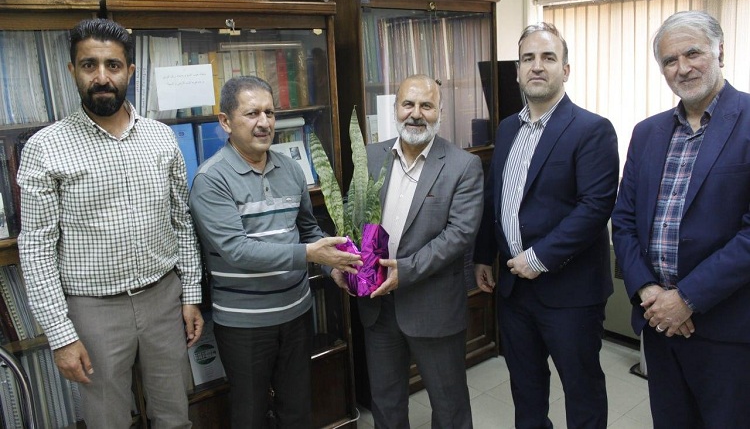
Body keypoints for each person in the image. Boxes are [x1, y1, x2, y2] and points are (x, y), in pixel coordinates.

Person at [17, 18, 203, 428]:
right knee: (108, 421)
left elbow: (182, 221)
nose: (102, 77)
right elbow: (36, 249)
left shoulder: (161, 137)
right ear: (73, 70)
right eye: (89, 65)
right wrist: (61, 335)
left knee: (175, 417)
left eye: (113, 65)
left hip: (163, 300)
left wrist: (190, 294)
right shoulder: (44, 148)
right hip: (92, 311)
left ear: (129, 72)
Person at [188, 75, 362, 428]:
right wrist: (311, 255)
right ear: (225, 122)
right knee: (250, 415)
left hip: (296, 313)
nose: (264, 122)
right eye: (252, 113)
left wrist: (332, 268)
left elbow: (308, 230)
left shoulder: (291, 169)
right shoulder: (211, 179)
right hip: (244, 324)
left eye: (269, 112)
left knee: (296, 410)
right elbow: (237, 251)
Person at [474, 23, 619, 429]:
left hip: (570, 292)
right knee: (526, 389)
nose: (537, 66)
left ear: (565, 70)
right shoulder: (507, 128)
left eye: (548, 58)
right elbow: (495, 197)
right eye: (528, 59)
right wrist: (484, 255)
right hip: (514, 290)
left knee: (582, 390)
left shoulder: (592, 129)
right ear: (518, 71)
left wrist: (538, 258)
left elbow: (594, 208)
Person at [611, 10, 750, 428]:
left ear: (720, 51)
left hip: (728, 331)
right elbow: (624, 220)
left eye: (693, 53)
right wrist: (648, 291)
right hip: (658, 325)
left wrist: (686, 298)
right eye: (670, 60)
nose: (682, 68)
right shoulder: (647, 133)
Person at [331, 74, 484, 428]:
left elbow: (459, 234)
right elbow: (351, 213)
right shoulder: (371, 156)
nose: (416, 114)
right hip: (378, 309)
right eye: (408, 104)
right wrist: (343, 257)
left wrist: (406, 270)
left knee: (449, 407)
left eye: (426, 105)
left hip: (433, 307)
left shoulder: (463, 165)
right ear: (396, 109)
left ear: (440, 112)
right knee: (386, 404)